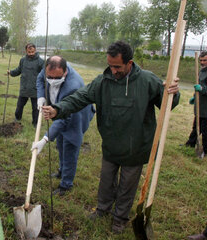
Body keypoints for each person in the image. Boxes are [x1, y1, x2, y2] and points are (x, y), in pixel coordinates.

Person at [41, 41, 180, 233]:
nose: (113, 70)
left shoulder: (147, 81)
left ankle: (120, 218)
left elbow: (168, 103)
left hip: (136, 147)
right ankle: (102, 209)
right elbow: (79, 97)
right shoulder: (103, 81)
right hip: (111, 144)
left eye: (117, 66)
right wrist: (58, 109)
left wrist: (174, 93)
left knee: (127, 186)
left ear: (129, 63)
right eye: (110, 65)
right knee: (106, 181)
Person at [31, 56, 95, 196]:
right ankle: (61, 170)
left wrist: (45, 139)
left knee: (70, 147)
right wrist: (41, 97)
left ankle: (66, 184)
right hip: (58, 111)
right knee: (60, 143)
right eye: (50, 77)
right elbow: (40, 79)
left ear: (65, 72)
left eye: (57, 78)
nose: (52, 81)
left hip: (76, 115)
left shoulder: (73, 86)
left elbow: (65, 118)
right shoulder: (47, 69)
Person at [7, 43, 44, 127]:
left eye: (32, 52)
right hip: (24, 87)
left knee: (35, 108)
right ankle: (17, 118)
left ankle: (35, 123)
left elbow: (44, 74)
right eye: (29, 52)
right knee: (19, 105)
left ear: (35, 50)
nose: (31, 53)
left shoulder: (41, 62)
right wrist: (11, 72)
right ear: (26, 51)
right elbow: (19, 70)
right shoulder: (23, 60)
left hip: (35, 89)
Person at [183, 51, 207, 158]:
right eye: (201, 60)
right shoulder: (201, 71)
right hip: (200, 105)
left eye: (205, 60)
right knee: (195, 126)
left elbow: (202, 87)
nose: (202, 62)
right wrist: (194, 96)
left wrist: (202, 89)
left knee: (205, 130)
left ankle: (205, 150)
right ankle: (190, 144)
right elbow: (199, 85)